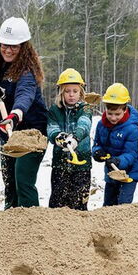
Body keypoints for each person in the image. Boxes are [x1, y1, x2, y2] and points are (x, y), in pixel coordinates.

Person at [0, 17, 48, 209]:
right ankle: (10, 223)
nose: (8, 50)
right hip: (6, 134)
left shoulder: (27, 70)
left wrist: (15, 114)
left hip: (30, 133)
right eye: (4, 45)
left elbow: (25, 94)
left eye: (14, 46)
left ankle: (30, 221)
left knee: (23, 180)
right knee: (9, 181)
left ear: (23, 47)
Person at [46, 68, 92, 210]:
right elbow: (51, 128)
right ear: (61, 92)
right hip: (60, 162)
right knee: (58, 200)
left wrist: (76, 138)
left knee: (79, 200)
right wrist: (59, 137)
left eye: (75, 91)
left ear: (81, 92)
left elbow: (84, 124)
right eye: (67, 91)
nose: (71, 95)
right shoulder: (55, 110)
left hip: (82, 162)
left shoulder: (85, 109)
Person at [92, 83, 138, 206]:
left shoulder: (132, 129)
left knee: (123, 206)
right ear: (105, 109)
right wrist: (97, 152)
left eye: (117, 114)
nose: (113, 118)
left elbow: (131, 154)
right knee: (108, 204)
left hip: (129, 173)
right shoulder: (101, 125)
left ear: (125, 110)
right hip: (111, 172)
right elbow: (97, 144)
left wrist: (118, 161)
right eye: (110, 114)